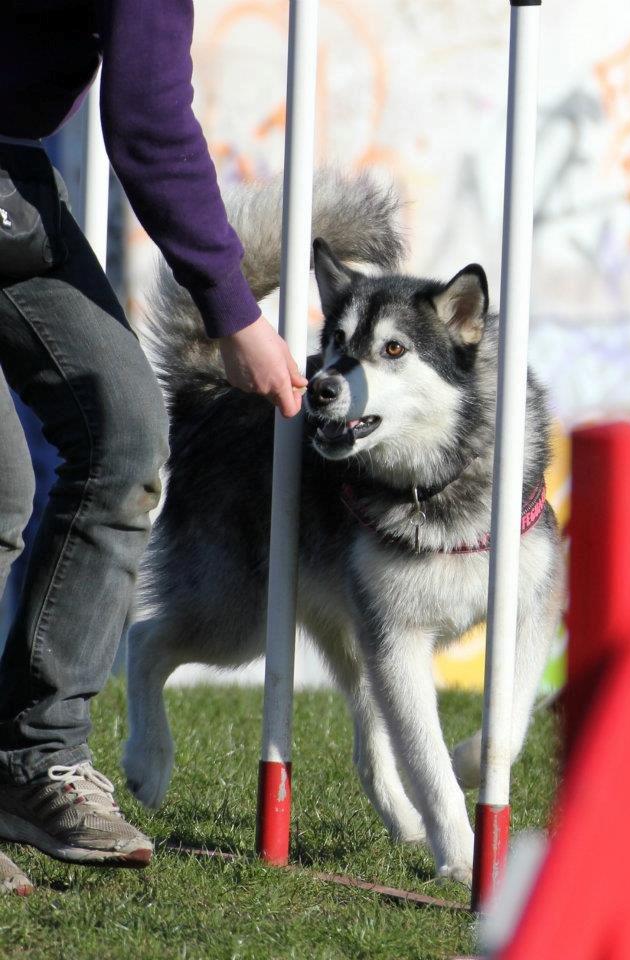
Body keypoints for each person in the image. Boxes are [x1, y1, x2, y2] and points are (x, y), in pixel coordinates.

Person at [0, 0, 307, 892]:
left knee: (126, 437)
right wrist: (236, 314)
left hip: (13, 174)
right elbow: (146, 118)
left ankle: (34, 763)